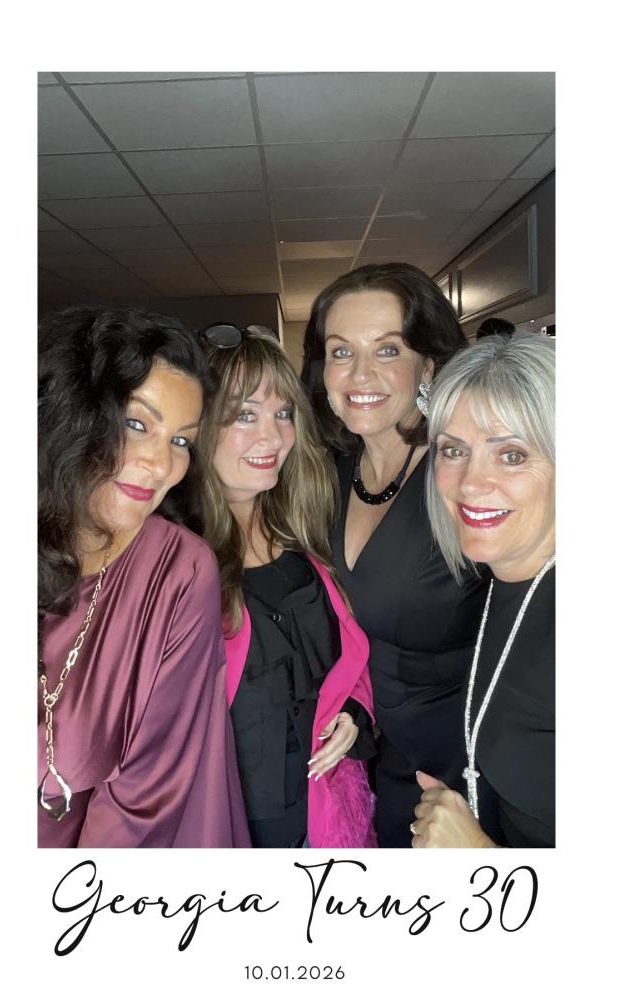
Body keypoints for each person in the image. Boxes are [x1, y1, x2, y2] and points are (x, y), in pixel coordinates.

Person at [38, 305, 250, 847]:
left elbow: (145, 808)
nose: (160, 464)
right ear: (74, 416)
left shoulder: (175, 572)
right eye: (137, 424)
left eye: (181, 441)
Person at [301, 262, 489, 847]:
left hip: (466, 772)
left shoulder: (467, 478)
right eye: (341, 351)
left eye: (387, 350)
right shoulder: (328, 476)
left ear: (428, 364)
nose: (360, 374)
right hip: (371, 755)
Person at [194, 323, 376, 849]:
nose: (273, 438)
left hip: (329, 821)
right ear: (199, 424)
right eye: (244, 415)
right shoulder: (177, 565)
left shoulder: (305, 538)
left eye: (283, 413)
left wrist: (354, 712)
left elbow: (345, 662)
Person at [413, 332, 555, 848]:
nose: (471, 483)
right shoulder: (504, 579)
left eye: (512, 455)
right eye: (453, 450)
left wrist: (476, 853)